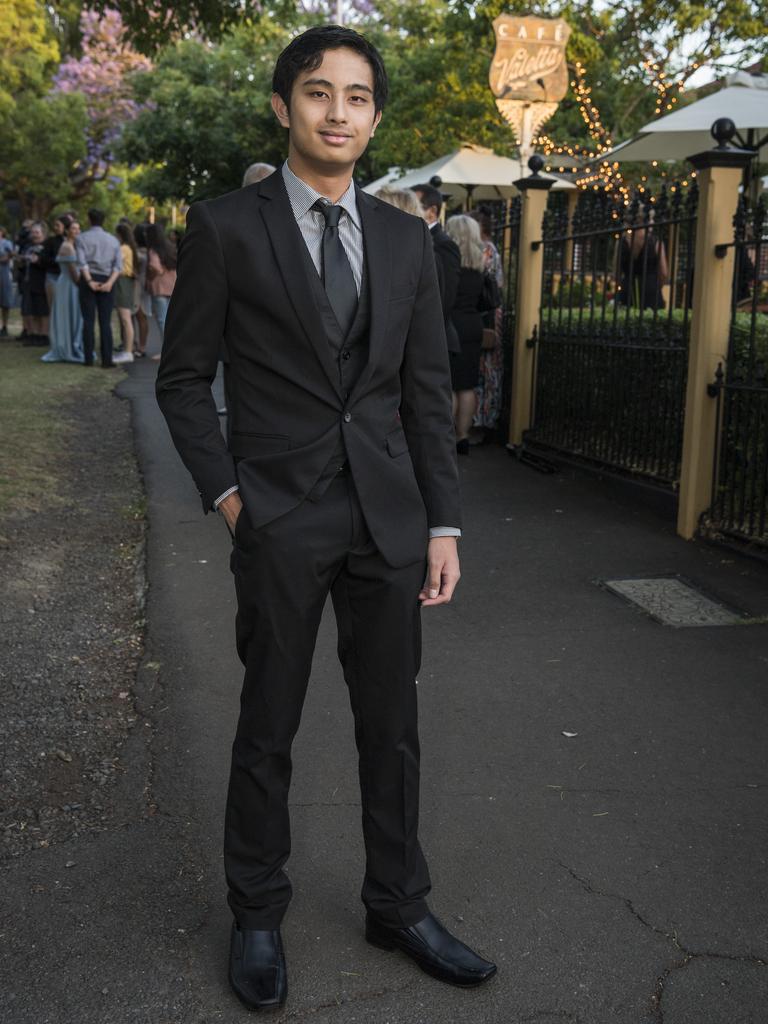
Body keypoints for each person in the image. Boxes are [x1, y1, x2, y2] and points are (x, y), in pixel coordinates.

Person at [156, 24, 496, 1013]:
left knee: (392, 728)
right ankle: (256, 912)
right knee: (268, 726)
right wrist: (228, 497)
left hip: (390, 524)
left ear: (374, 117)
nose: (337, 111)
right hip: (278, 519)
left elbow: (427, 396)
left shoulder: (405, 240)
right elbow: (183, 382)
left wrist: (445, 525)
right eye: (317, 93)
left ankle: (399, 902)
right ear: (282, 105)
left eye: (355, 96)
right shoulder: (224, 227)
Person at [445, 215, 499, 454]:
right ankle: (463, 436)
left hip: (452, 326)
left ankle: (446, 437)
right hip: (473, 327)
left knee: (448, 385)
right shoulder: (479, 266)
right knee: (467, 386)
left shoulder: (449, 264)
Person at [413, 182, 461, 358]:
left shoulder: (444, 245)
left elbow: (445, 298)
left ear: (432, 211)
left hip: (435, 343)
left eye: (414, 205)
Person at [469, 206, 504, 436]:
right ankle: (482, 417)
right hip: (492, 312)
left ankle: (482, 419)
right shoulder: (490, 249)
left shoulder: (485, 250)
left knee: (484, 369)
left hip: (486, 314)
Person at [75, 208, 122, 367]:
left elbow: (82, 263)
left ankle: (88, 359)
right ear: (103, 220)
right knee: (105, 322)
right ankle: (107, 360)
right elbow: (118, 266)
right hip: (108, 279)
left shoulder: (81, 238)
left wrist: (89, 281)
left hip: (88, 279)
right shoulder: (113, 240)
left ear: (89, 219)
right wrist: (109, 283)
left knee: (88, 321)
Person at [42, 216, 84, 364]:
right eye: (73, 228)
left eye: (78, 228)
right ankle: (67, 348)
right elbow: (74, 274)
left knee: (73, 315)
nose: (77, 231)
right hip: (69, 285)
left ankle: (73, 344)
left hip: (69, 284)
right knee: (67, 315)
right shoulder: (67, 246)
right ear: (67, 231)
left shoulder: (74, 245)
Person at [616, 224, 668, 310]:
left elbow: (616, 272)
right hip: (651, 289)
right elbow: (664, 273)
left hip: (627, 288)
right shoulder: (656, 242)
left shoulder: (621, 242)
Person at [145, 222, 177, 358]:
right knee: (171, 320)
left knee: (162, 320)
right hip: (172, 286)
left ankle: (166, 352)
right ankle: (173, 349)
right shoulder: (170, 247)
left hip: (159, 287)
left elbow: (155, 267)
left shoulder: (153, 250)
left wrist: (150, 278)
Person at [18, 222, 49, 346]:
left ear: (43, 233)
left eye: (37, 232)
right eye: (33, 232)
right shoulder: (28, 247)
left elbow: (49, 263)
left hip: (41, 282)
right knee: (31, 310)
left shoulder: (46, 247)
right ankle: (34, 334)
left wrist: (38, 261)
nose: (34, 235)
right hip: (28, 281)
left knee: (42, 311)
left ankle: (44, 335)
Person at [113, 222, 139, 363]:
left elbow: (115, 262)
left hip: (122, 281)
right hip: (125, 281)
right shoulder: (129, 248)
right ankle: (127, 350)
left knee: (125, 318)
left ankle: (128, 351)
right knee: (124, 318)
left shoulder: (123, 248)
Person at [39, 215, 66, 312]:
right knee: (53, 307)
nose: (55, 228)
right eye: (54, 225)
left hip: (68, 277)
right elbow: (43, 259)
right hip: (53, 276)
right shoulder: (50, 241)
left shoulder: (71, 241)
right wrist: (58, 260)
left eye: (58, 225)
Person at [132, 223, 151, 357]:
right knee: (141, 315)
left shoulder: (138, 252)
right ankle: (140, 346)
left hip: (137, 284)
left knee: (138, 314)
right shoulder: (152, 250)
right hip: (146, 284)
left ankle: (139, 346)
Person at [0, 227, 15, 337]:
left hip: (3, 274)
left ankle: (4, 326)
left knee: (5, 301)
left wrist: (5, 258)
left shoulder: (6, 243)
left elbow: (11, 255)